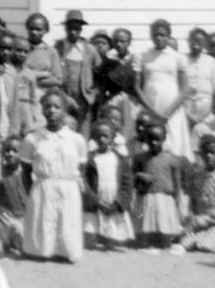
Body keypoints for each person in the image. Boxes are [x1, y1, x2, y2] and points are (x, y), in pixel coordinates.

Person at [20, 88, 86, 263]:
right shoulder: (32, 139)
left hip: (68, 188)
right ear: (42, 110)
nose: (52, 111)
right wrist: (34, 194)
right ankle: (40, 250)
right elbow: (26, 172)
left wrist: (73, 187)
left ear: (64, 110)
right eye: (47, 106)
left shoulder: (76, 139)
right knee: (43, 223)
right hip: (43, 187)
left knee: (66, 223)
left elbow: (82, 167)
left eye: (57, 107)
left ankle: (65, 251)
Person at [133, 19, 192, 161]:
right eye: (156, 35)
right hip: (150, 106)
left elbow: (185, 89)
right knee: (151, 139)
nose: (159, 38)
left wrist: (167, 113)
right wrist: (151, 111)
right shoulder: (142, 56)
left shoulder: (178, 57)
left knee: (174, 142)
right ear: (151, 36)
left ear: (169, 36)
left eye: (162, 35)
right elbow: (136, 86)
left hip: (172, 109)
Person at [82, 118, 134, 252]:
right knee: (90, 239)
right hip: (96, 203)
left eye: (106, 136)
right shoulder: (89, 159)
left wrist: (118, 204)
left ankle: (110, 242)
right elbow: (84, 182)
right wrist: (95, 200)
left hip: (113, 203)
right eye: (98, 136)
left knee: (112, 238)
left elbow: (127, 184)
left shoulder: (120, 160)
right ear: (93, 138)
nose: (102, 140)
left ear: (113, 138)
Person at [133, 120, 184, 254]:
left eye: (157, 139)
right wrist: (139, 175)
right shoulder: (139, 158)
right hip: (146, 197)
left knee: (164, 224)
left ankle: (166, 243)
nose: (154, 143)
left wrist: (178, 200)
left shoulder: (172, 160)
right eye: (150, 139)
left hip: (165, 199)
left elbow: (177, 184)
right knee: (147, 224)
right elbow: (130, 177)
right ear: (145, 140)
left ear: (164, 139)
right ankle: (149, 244)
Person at [54, 10, 97, 135]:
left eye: (77, 29)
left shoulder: (89, 49)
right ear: (65, 28)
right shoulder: (58, 48)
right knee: (63, 132)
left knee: (83, 134)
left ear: (81, 29)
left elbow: (100, 73)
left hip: (84, 101)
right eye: (70, 28)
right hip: (64, 98)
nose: (73, 32)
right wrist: (64, 97)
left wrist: (93, 94)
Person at [0, 136, 27, 255]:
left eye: (15, 151)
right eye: (7, 150)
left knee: (24, 238)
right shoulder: (0, 174)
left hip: (23, 217)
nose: (10, 154)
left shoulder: (27, 174)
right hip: (6, 217)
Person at [183, 134, 215, 252]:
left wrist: (207, 220)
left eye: (212, 152)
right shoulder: (197, 175)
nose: (209, 156)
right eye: (205, 152)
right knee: (185, 242)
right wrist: (192, 218)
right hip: (200, 220)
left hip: (212, 220)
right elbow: (192, 202)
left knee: (205, 245)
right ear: (201, 154)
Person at [184, 28, 215, 135]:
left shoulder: (211, 62)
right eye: (193, 41)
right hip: (187, 109)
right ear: (188, 41)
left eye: (200, 42)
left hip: (207, 111)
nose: (196, 45)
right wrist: (187, 115)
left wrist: (209, 115)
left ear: (205, 43)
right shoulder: (182, 60)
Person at [23, 13, 62, 88]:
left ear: (46, 31)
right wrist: (44, 74)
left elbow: (58, 80)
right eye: (31, 28)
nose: (34, 32)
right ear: (27, 28)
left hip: (43, 94)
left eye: (38, 29)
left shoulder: (51, 52)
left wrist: (30, 77)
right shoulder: (20, 48)